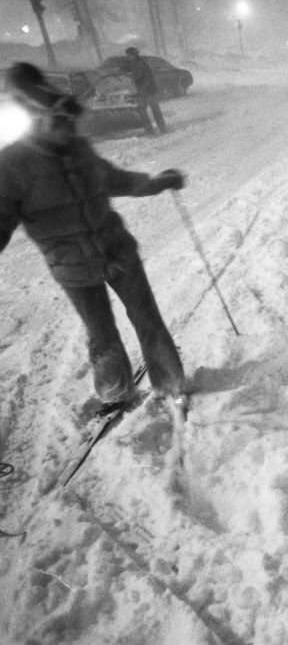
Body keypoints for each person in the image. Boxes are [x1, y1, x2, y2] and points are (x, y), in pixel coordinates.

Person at [0, 62, 188, 414]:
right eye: (61, 125)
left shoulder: (78, 148)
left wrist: (157, 182)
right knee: (101, 333)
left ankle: (171, 384)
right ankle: (116, 393)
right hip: (71, 266)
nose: (69, 132)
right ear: (40, 122)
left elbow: (114, 179)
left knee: (147, 318)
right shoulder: (11, 166)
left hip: (117, 250)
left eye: (70, 125)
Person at [124, 46, 167, 135]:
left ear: (134, 55)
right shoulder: (132, 64)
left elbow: (147, 78)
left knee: (154, 110)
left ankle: (162, 129)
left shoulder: (141, 64)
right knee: (142, 111)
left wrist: (142, 90)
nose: (127, 57)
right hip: (141, 91)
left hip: (149, 90)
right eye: (127, 55)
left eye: (129, 55)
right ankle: (149, 130)